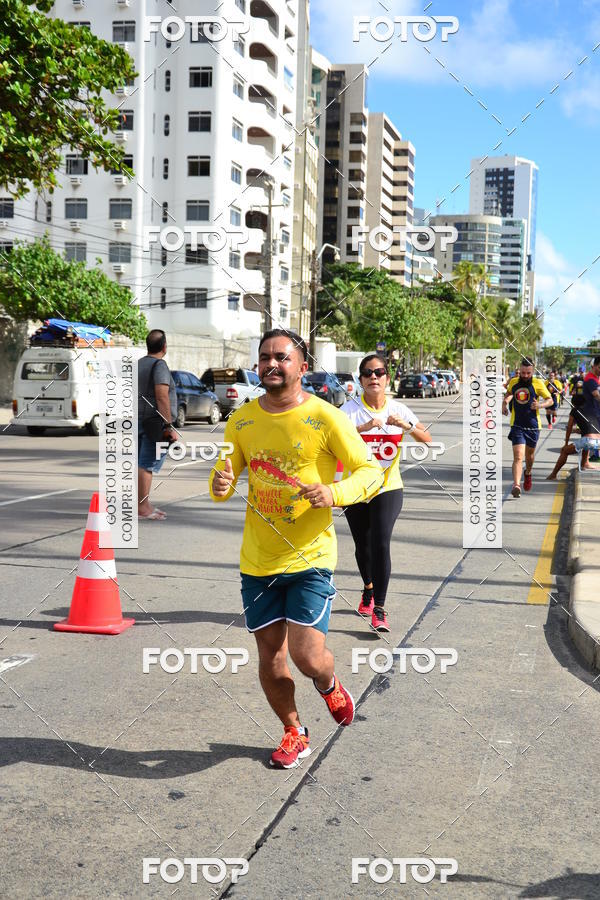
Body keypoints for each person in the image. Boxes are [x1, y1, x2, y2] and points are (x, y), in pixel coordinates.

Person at [210, 329, 384, 769]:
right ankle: (294, 732)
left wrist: (334, 492)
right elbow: (222, 478)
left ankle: (329, 685)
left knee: (307, 657)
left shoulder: (326, 417)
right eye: (265, 356)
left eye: (282, 357)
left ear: (302, 367)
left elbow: (370, 472)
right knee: (271, 660)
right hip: (258, 560)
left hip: (310, 557)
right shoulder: (241, 420)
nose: (271, 363)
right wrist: (220, 483)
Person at [339, 354, 432, 632]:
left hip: (387, 487)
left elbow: (427, 439)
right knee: (362, 546)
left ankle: (379, 609)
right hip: (356, 488)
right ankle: (368, 588)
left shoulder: (399, 409)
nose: (373, 377)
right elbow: (332, 444)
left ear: (387, 378)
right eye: (368, 373)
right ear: (360, 379)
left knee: (380, 542)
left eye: (379, 372)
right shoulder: (348, 411)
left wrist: (406, 426)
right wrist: (362, 428)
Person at [137, 330, 178, 520]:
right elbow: (162, 395)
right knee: (147, 464)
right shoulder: (159, 365)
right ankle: (142, 507)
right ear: (164, 346)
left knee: (141, 464)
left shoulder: (138, 364)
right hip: (153, 423)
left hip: (137, 420)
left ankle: (143, 504)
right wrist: (168, 426)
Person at [503, 358, 553, 497]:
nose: (525, 376)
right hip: (517, 425)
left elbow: (550, 400)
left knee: (529, 456)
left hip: (533, 426)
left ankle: (528, 472)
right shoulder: (514, 382)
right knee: (518, 456)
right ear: (520, 370)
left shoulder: (538, 383)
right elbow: (509, 393)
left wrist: (540, 405)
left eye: (528, 373)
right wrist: (504, 403)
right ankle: (516, 485)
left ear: (533, 371)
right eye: (523, 372)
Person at [546, 392, 600, 479]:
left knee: (565, 451)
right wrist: (576, 431)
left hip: (588, 440)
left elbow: (569, 428)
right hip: (598, 441)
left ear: (573, 403)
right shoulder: (591, 410)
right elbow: (589, 428)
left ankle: (553, 474)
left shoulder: (574, 410)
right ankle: (584, 464)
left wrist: (566, 443)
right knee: (585, 443)